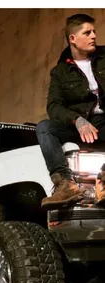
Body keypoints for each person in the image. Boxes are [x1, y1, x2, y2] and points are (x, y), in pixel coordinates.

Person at [36, 13, 105, 209]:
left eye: (94, 32)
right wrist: (77, 120)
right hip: (80, 124)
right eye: (87, 32)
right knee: (44, 127)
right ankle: (65, 185)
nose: (93, 36)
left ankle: (104, 180)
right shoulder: (60, 72)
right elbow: (53, 106)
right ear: (73, 39)